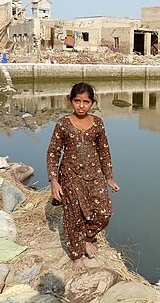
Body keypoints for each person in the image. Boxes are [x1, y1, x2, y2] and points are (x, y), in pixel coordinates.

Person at [47, 82, 120, 271]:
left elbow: (104, 151)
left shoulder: (97, 123)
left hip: (94, 175)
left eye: (86, 102)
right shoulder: (63, 124)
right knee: (73, 217)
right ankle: (76, 254)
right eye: (77, 101)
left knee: (103, 213)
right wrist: (54, 181)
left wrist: (109, 177)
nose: (81, 105)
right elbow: (53, 152)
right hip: (70, 176)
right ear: (69, 101)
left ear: (92, 103)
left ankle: (87, 237)